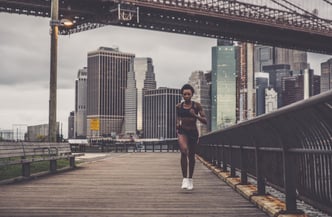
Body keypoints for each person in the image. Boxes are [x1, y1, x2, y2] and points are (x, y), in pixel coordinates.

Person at [176, 84, 207, 190]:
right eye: (184, 94)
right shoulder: (178, 106)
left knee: (191, 156)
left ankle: (190, 179)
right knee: (184, 151)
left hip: (193, 132)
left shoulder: (197, 106)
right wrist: (177, 124)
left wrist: (195, 115)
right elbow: (178, 117)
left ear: (192, 94)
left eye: (189, 94)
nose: (187, 96)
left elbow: (205, 121)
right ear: (182, 95)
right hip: (182, 131)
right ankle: (184, 179)